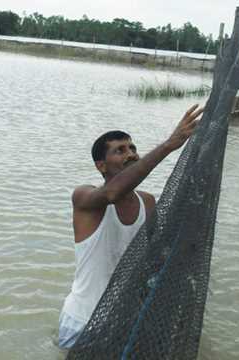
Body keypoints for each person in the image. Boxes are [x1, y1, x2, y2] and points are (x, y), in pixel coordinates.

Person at [58, 104, 205, 349]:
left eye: (133, 148)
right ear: (101, 166)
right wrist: (169, 144)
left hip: (123, 320)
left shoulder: (147, 202)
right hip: (83, 322)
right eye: (120, 150)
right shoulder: (85, 198)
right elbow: (113, 192)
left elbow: (155, 257)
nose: (131, 154)